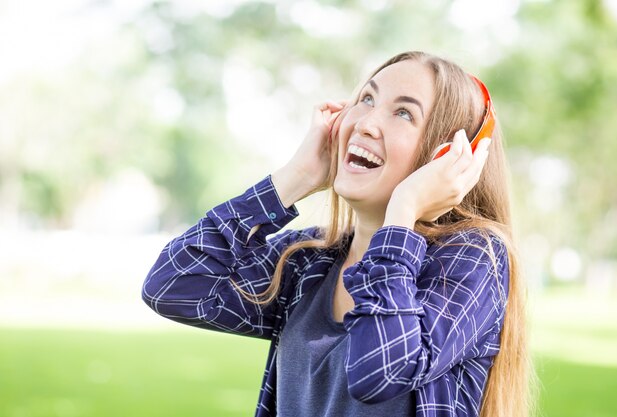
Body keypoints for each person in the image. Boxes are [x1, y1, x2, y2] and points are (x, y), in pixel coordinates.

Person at [141, 51, 533, 417]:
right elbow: (172, 285)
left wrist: (403, 212)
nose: (365, 123)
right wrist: (292, 180)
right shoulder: (310, 261)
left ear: (450, 159)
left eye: (403, 113)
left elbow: (380, 369)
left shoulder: (472, 256)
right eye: (365, 99)